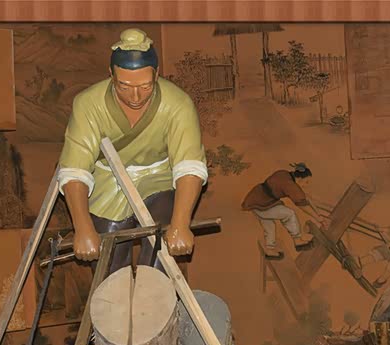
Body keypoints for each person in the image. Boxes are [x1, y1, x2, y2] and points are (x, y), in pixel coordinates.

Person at [57, 28, 208, 275]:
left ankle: (156, 294)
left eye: (145, 86)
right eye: (124, 86)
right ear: (111, 75)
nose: (135, 96)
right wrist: (82, 228)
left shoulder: (178, 104)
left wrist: (181, 223)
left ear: (156, 74)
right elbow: (75, 168)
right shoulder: (88, 104)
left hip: (158, 178)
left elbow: (189, 165)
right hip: (108, 182)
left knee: (162, 247)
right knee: (109, 263)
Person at [241, 163, 328, 258]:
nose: (306, 185)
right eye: (306, 182)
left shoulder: (284, 174)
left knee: (269, 226)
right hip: (263, 204)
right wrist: (318, 218)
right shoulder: (290, 184)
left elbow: (306, 198)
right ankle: (297, 241)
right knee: (289, 214)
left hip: (255, 200)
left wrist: (318, 214)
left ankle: (269, 250)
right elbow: (302, 204)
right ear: (300, 178)